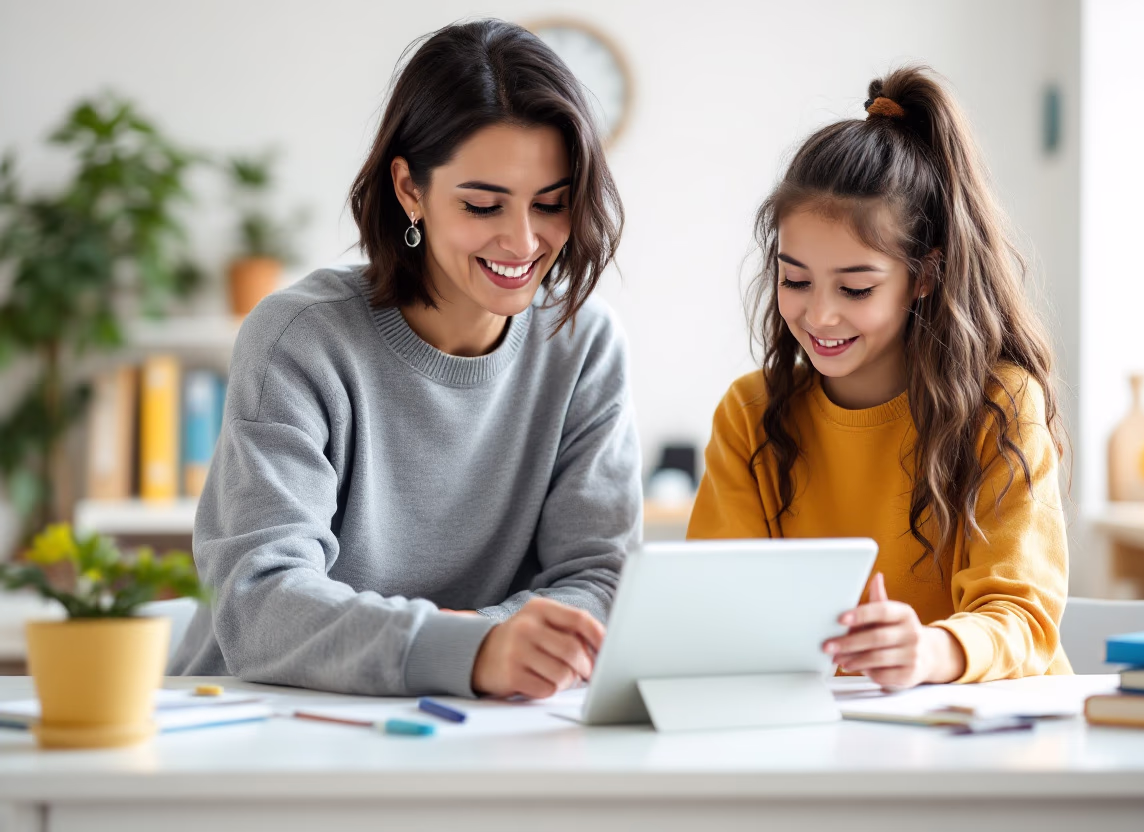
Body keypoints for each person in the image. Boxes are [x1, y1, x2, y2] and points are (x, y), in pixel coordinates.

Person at [171, 19, 642, 699]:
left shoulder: (583, 344)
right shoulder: (299, 340)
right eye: (483, 204)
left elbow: (600, 579)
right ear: (409, 188)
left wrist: (487, 645)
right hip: (259, 722)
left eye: (553, 204)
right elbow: (258, 602)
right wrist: (471, 648)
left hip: (468, 726)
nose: (522, 240)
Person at [688, 66, 1071, 687]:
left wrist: (928, 651)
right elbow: (719, 612)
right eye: (795, 279)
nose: (819, 314)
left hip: (992, 735)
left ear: (923, 275)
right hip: (834, 736)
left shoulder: (999, 405)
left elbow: (1022, 616)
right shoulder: (749, 413)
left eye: (856, 287)